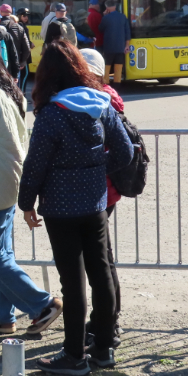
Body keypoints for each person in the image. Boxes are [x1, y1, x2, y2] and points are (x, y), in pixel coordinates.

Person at [18, 40, 132, 376]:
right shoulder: (102, 104)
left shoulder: (51, 114)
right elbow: (124, 153)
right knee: (101, 273)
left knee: (73, 281)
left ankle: (73, 356)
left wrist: (26, 203)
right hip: (96, 203)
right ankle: (103, 348)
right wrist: (95, 169)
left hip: (59, 207)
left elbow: (35, 165)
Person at [0, 42, 63, 335]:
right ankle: (0, 316)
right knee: (0, 255)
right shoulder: (10, 93)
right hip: (8, 183)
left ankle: (42, 303)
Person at [79, 48, 126, 349]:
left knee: (101, 260)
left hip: (98, 190)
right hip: (106, 189)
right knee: (102, 258)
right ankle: (105, 320)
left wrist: (97, 170)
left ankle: (107, 323)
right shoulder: (110, 98)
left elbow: (118, 150)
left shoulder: (98, 101)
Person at [99, 0, 132, 86]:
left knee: (107, 66)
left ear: (107, 8)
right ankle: (117, 84)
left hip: (108, 47)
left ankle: (106, 84)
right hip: (121, 47)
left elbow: (100, 29)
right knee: (118, 66)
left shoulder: (106, 18)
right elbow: (127, 32)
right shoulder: (123, 17)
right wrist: (127, 45)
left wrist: (104, 16)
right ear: (115, 6)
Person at [0, 5, 31, 82]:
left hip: (0, 64)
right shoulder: (19, 28)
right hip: (15, 65)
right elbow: (27, 48)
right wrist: (22, 62)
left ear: (0, 12)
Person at [15, 8, 35, 93]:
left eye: (27, 16)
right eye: (24, 15)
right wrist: (29, 44)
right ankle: (22, 94)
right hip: (23, 55)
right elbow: (22, 41)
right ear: (19, 16)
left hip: (22, 54)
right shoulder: (20, 25)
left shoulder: (21, 25)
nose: (26, 17)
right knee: (24, 75)